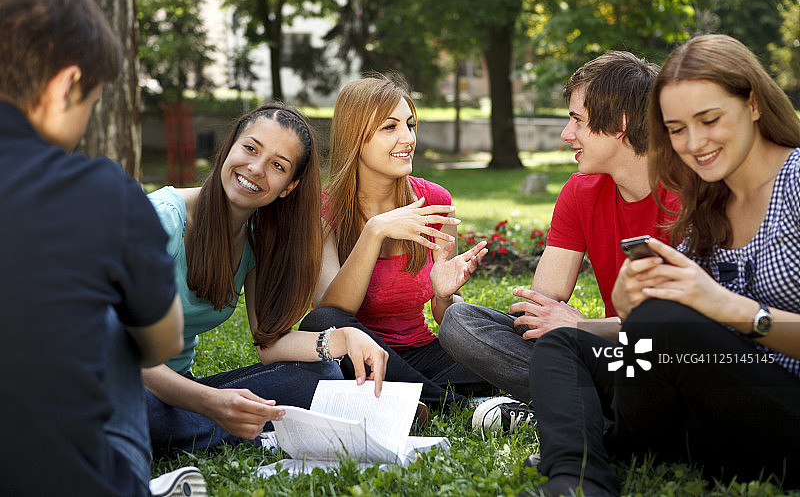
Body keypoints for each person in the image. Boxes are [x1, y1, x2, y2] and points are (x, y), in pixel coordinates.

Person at [526, 34, 800, 497]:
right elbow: (670, 343)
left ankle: (612, 439)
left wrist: (727, 308)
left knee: (658, 323)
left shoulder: (794, 182)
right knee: (565, 346)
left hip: (785, 409)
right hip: (715, 403)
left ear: (753, 104)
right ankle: (577, 480)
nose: (693, 143)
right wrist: (627, 314)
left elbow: (696, 324)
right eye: (676, 129)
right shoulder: (705, 203)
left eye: (709, 120)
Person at [0, 0, 186, 495]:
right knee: (116, 316)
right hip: (77, 478)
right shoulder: (101, 189)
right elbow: (162, 342)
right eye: (92, 103)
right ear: (66, 85)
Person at [144, 103, 389, 453]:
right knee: (136, 411)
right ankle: (236, 429)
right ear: (230, 147)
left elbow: (269, 344)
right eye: (250, 148)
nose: (256, 168)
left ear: (289, 186)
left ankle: (200, 430)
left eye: (278, 165)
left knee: (321, 376)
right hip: (121, 384)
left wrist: (343, 338)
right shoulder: (161, 220)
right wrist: (211, 403)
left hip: (180, 390)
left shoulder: (256, 235)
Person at [439, 51, 680, 404]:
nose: (567, 134)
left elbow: (679, 335)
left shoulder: (685, 200)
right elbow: (540, 308)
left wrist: (582, 326)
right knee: (461, 324)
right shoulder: (580, 192)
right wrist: (568, 327)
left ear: (621, 123)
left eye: (577, 120)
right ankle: (590, 406)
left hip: (666, 362)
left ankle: (578, 408)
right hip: (609, 358)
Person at [298, 75, 492, 408]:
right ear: (356, 137)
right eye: (390, 127)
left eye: (410, 124)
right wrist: (375, 232)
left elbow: (446, 318)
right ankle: (456, 406)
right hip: (355, 357)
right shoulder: (322, 209)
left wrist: (445, 296)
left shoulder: (433, 200)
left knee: (504, 347)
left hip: (422, 355)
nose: (407, 138)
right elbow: (333, 311)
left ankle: (409, 395)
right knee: (320, 322)